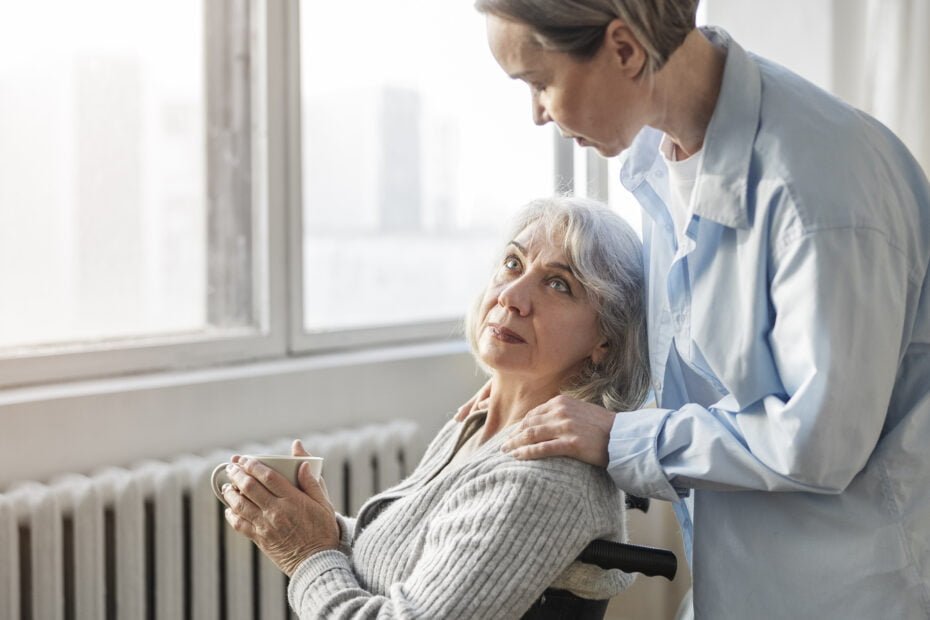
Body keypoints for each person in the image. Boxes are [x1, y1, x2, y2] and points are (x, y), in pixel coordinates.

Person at [464, 1, 930, 618]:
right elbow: (714, 381)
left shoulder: (817, 190)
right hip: (740, 580)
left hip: (850, 590)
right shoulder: (664, 162)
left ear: (625, 49)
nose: (537, 114)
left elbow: (817, 443)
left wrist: (619, 438)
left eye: (540, 83)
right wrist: (538, 402)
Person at [219, 197, 651, 618]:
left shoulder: (544, 475)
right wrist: (319, 529)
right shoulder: (478, 424)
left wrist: (306, 554)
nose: (512, 297)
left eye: (559, 284)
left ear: (606, 339)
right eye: (513, 264)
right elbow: (416, 564)